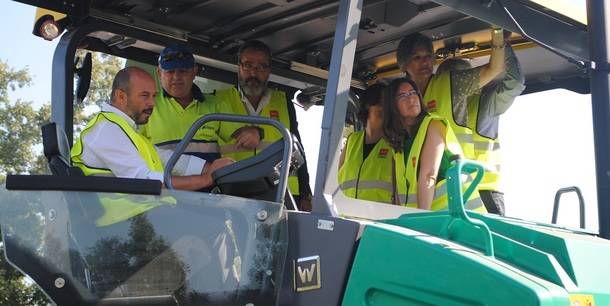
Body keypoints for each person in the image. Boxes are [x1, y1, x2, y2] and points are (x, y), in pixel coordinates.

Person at [71, 67, 233, 191]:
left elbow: (165, 158)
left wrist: (208, 167)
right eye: (144, 96)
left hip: (141, 221)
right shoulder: (106, 131)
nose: (152, 104)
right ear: (121, 96)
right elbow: (143, 180)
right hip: (119, 227)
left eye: (154, 96)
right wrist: (204, 179)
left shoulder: (126, 130)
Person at [213, 40, 313, 211]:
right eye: (248, 65)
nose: (254, 72)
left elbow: (297, 147)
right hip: (235, 193)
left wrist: (305, 193)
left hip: (282, 192)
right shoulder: (218, 100)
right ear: (239, 67)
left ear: (269, 71)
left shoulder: (284, 103)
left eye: (261, 67)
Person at [436, 37, 525, 215]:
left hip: (485, 192)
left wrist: (502, 45)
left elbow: (515, 83)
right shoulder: (436, 106)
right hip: (453, 190)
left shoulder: (486, 103)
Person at [395, 28, 506, 159]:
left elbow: (495, 68)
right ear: (404, 65)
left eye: (428, 56)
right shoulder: (395, 97)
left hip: (455, 174)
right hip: (416, 175)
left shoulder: (452, 83)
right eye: (417, 57)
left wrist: (498, 31)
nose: (424, 62)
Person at [383, 77, 485, 212]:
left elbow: (429, 175)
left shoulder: (433, 124)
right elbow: (398, 192)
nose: (411, 98)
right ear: (393, 106)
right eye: (402, 96)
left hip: (464, 218)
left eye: (413, 93)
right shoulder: (401, 145)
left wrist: (422, 219)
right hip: (439, 221)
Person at [138, 45, 221, 167]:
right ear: (159, 73)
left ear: (194, 72)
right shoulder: (146, 106)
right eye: (170, 71)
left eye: (182, 71)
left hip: (209, 184)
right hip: (163, 184)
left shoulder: (216, 105)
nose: (176, 77)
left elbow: (239, 142)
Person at [338, 83, 406, 204]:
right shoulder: (352, 140)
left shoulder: (395, 143)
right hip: (345, 215)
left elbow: (399, 189)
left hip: (378, 218)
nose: (385, 108)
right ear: (367, 105)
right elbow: (335, 180)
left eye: (389, 105)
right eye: (381, 103)